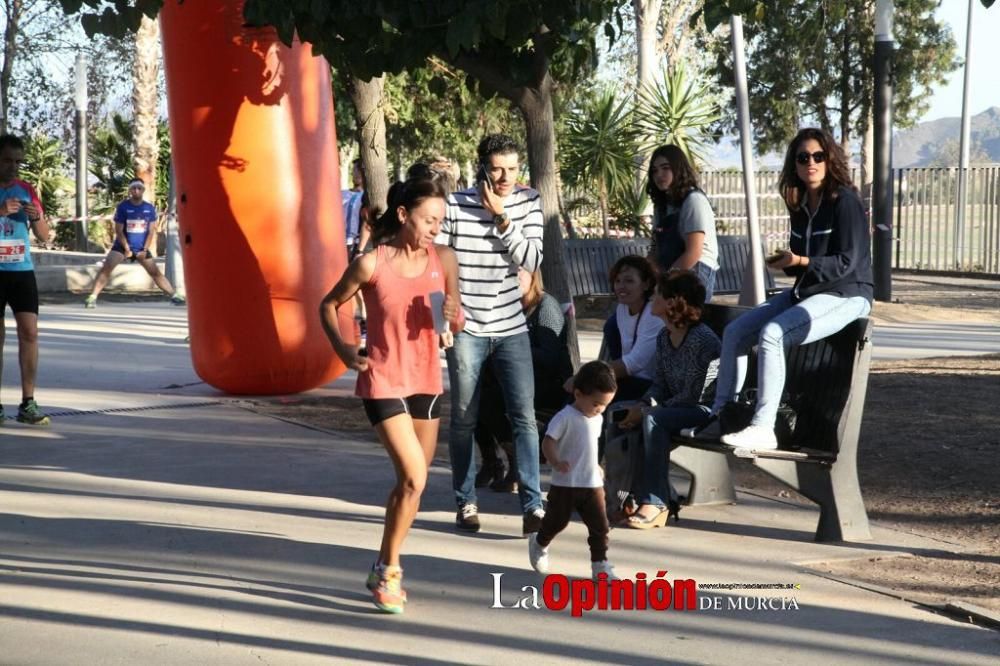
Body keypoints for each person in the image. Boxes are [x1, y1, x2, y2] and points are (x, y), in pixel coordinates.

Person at [319, 177, 462, 614]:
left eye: (440, 220)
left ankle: (382, 562)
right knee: (415, 476)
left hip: (426, 380)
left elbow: (452, 320)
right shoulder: (371, 264)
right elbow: (329, 304)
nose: (435, 228)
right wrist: (344, 349)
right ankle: (390, 570)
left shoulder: (444, 259)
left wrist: (455, 317)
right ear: (404, 216)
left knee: (411, 487)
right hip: (383, 380)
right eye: (428, 219)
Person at [685, 127, 873, 450]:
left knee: (772, 333)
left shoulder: (845, 202)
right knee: (735, 333)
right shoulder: (800, 205)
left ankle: (763, 427)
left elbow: (847, 262)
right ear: (794, 165)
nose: (810, 163)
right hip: (809, 292)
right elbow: (803, 262)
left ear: (830, 160)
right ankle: (720, 416)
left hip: (848, 294)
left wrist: (800, 261)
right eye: (803, 158)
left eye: (818, 156)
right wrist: (788, 262)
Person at [436, 133, 545, 535]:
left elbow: (532, 260)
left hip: (511, 325)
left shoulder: (528, 201)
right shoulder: (455, 205)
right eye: (498, 168)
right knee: (464, 418)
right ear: (481, 164)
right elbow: (440, 265)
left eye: (513, 169)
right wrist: (441, 322)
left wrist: (502, 217)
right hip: (467, 327)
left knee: (525, 418)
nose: (505, 177)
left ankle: (533, 505)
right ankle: (466, 502)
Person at [615, 271, 719, 528]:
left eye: (658, 294)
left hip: (704, 410)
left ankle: (656, 502)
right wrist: (642, 404)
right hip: (674, 408)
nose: (652, 299)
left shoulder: (702, 340)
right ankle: (620, 496)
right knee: (617, 413)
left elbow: (695, 395)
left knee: (653, 421)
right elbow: (659, 384)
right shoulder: (664, 336)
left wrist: (651, 411)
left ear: (673, 302)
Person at [475, 268, 573, 491]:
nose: (514, 275)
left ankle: (521, 462)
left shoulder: (545, 306)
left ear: (534, 275)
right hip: (514, 380)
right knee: (473, 394)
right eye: (509, 270)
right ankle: (494, 462)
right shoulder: (505, 306)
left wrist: (510, 350)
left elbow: (550, 357)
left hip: (550, 384)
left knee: (492, 400)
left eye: (520, 270)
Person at [528, 360, 618, 581]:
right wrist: (556, 461)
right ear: (578, 394)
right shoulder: (564, 417)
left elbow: (590, 445)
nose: (600, 409)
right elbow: (547, 442)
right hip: (565, 483)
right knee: (556, 522)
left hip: (592, 484)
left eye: (605, 405)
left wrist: (596, 465)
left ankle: (600, 565)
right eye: (596, 404)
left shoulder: (597, 418)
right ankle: (539, 542)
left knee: (600, 527)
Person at [0, 134, 51, 425]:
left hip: (21, 271)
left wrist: (36, 217)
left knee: (30, 333)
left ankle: (28, 403)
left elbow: (45, 236)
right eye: (8, 160)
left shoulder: (26, 189)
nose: (13, 167)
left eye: (18, 161)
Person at [84, 179, 186, 308]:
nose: (136, 191)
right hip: (122, 247)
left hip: (141, 248)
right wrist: (127, 248)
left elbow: (150, 231)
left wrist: (144, 249)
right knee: (106, 268)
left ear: (143, 190)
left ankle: (174, 295)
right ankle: (92, 297)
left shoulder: (149, 208)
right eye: (133, 188)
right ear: (130, 190)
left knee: (155, 273)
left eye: (139, 188)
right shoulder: (123, 207)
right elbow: (119, 230)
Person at [577, 255, 663, 404]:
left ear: (646, 284)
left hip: (650, 387)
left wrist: (588, 377)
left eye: (629, 281)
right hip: (628, 378)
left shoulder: (653, 314)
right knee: (580, 394)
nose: (621, 286)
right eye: (617, 281)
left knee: (588, 393)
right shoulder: (622, 308)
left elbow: (634, 363)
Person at [646, 145, 720, 301]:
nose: (659, 175)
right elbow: (654, 248)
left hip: (696, 271)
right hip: (669, 270)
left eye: (665, 168)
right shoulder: (662, 206)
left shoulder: (693, 200)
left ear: (678, 169)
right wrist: (645, 274)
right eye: (654, 170)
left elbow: (693, 252)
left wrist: (664, 283)